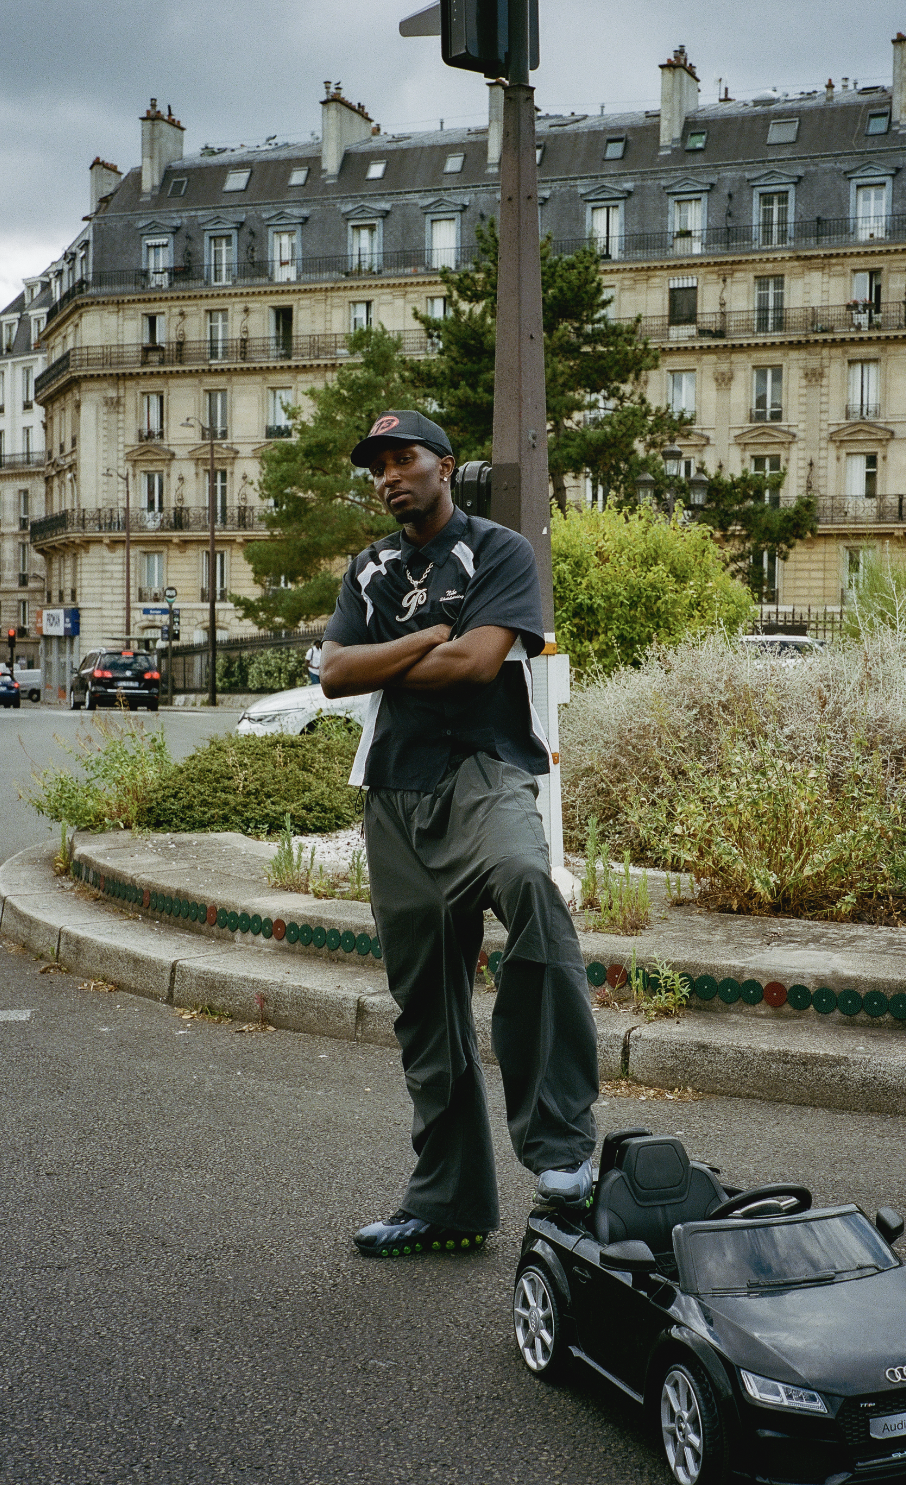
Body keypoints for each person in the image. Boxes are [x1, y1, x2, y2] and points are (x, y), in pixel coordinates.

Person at [321, 410, 599, 1258]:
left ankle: (561, 1146)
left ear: (444, 466)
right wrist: (423, 638)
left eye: (404, 459)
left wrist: (392, 656)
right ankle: (447, 1202)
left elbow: (478, 663)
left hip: (484, 773)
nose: (388, 477)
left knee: (528, 888)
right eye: (377, 467)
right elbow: (335, 673)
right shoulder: (369, 568)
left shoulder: (500, 552)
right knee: (425, 1010)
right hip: (394, 795)